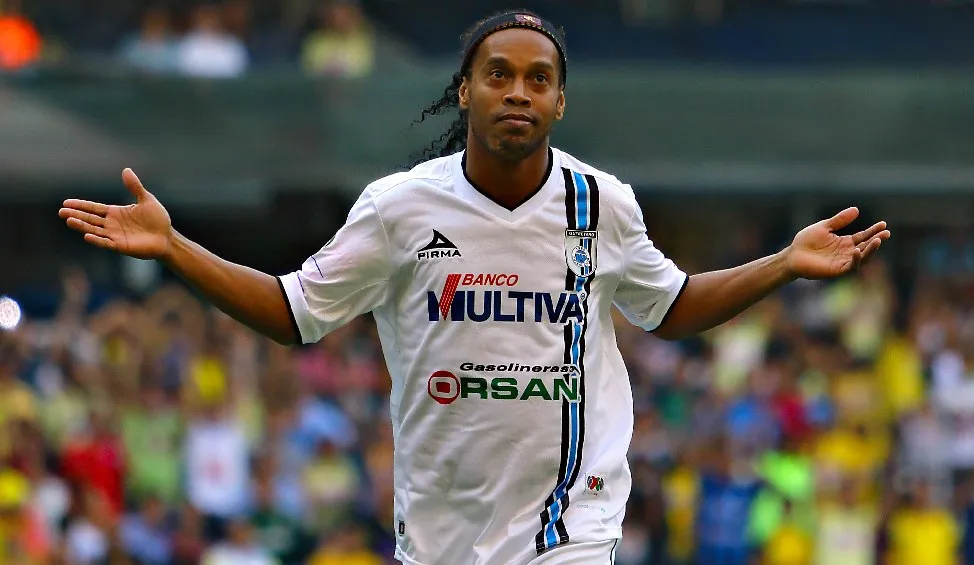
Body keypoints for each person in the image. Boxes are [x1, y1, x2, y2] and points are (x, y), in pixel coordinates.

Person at [58, 9, 890, 565]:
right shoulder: (398, 207)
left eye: (537, 78)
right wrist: (174, 248)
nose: (518, 91)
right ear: (466, 90)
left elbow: (668, 309)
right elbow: (291, 313)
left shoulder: (602, 203)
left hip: (572, 521)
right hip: (442, 527)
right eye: (499, 74)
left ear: (561, 101)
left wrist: (782, 262)